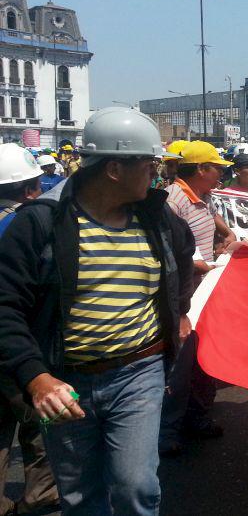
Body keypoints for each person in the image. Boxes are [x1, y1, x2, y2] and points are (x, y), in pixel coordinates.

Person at [0, 107, 195, 515]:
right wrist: (37, 380)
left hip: (138, 373)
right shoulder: (40, 224)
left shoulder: (156, 217)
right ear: (114, 169)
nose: (155, 173)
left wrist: (179, 311)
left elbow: (183, 257)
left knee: (135, 485)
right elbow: (6, 308)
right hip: (66, 381)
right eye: (148, 163)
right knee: (80, 495)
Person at [159, 141, 235, 457]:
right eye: (217, 168)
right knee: (179, 365)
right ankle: (166, 433)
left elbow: (217, 224)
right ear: (201, 169)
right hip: (182, 293)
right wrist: (198, 264)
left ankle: (198, 417)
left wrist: (228, 235)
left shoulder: (204, 196)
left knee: (204, 359)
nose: (221, 173)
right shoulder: (172, 201)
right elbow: (165, 251)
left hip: (204, 290)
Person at [0, 144, 59, 515]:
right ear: (28, 189)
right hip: (25, 341)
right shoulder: (29, 224)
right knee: (40, 422)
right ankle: (40, 494)